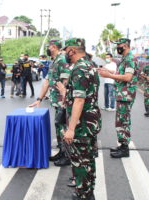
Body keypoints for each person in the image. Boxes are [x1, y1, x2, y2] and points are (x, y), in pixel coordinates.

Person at [57, 38, 101, 200]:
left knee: (80, 161)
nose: (64, 54)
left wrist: (71, 129)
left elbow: (80, 100)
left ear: (72, 51)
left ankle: (83, 194)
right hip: (91, 121)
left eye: (65, 51)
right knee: (88, 159)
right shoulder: (90, 65)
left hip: (82, 124)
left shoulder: (79, 68)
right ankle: (88, 192)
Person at [29, 39, 71, 167]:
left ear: (53, 47)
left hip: (62, 101)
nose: (47, 49)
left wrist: (65, 100)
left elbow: (65, 80)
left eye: (49, 46)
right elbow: (47, 81)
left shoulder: (62, 60)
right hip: (56, 101)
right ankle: (61, 151)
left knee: (63, 127)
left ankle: (67, 155)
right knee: (58, 126)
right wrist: (39, 99)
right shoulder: (54, 61)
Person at [98, 38, 138, 158]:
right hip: (122, 94)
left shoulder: (130, 59)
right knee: (120, 121)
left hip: (126, 95)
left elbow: (127, 78)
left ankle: (124, 149)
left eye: (118, 45)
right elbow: (122, 75)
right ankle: (122, 145)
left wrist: (109, 75)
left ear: (125, 46)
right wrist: (109, 72)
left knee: (123, 121)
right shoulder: (125, 59)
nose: (117, 47)